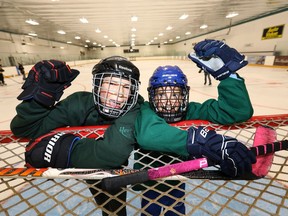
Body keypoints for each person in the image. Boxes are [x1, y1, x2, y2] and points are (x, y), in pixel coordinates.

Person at [10, 40, 255, 215]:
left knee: (168, 206)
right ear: (96, 86)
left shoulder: (141, 108)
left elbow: (236, 112)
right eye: (110, 85)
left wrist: (228, 76)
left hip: (152, 174)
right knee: (112, 206)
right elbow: (26, 129)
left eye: (125, 87)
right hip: (113, 176)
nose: (117, 95)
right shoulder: (83, 104)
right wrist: (40, 98)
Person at [133, 39, 254, 215]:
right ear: (151, 96)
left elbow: (237, 111)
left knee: (175, 210)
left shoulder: (191, 110)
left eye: (175, 94)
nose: (168, 101)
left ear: (184, 95)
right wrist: (202, 140)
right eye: (161, 94)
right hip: (149, 179)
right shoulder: (146, 111)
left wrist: (228, 76)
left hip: (178, 178)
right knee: (150, 211)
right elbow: (149, 134)